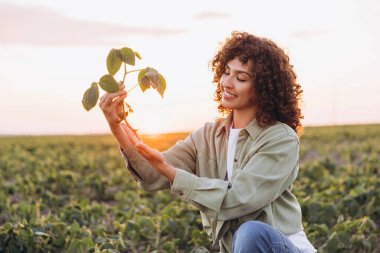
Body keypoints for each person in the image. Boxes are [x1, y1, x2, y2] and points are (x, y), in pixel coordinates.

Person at [99, 31, 317, 253]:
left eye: (241, 78)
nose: (227, 83)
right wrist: (117, 126)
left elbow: (238, 199)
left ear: (263, 88)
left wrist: (174, 174)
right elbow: (151, 176)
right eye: (226, 72)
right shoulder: (207, 136)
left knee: (251, 232)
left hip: (283, 247)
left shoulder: (280, 138)